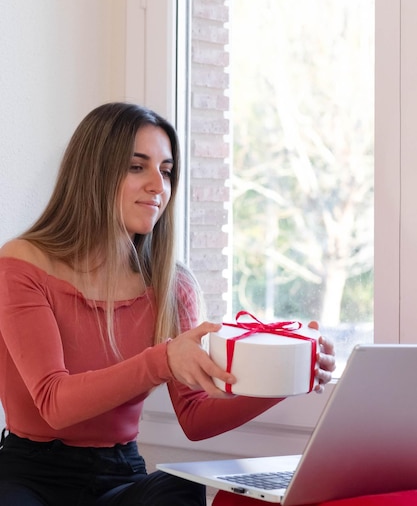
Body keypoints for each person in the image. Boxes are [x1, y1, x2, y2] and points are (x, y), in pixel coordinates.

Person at [0, 102, 336, 506]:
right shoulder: (21, 265)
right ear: (93, 173)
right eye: (137, 167)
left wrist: (290, 373)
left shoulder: (172, 286)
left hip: (120, 473)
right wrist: (163, 360)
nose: (158, 186)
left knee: (179, 489)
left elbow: (194, 416)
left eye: (166, 170)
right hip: (32, 475)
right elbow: (54, 403)